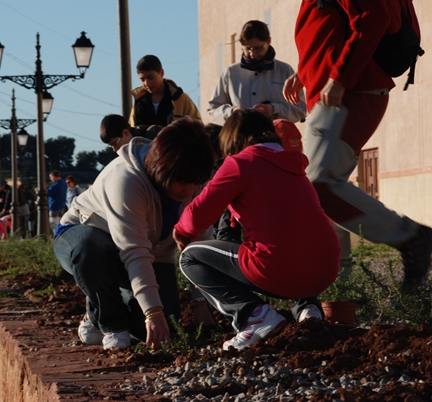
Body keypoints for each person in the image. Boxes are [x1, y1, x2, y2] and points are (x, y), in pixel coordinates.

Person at [282, 0, 431, 292]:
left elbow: (372, 17)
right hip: (338, 91)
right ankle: (337, 294)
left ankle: (410, 237)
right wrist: (307, 69)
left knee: (318, 184)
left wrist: (339, 76)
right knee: (322, 188)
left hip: (352, 91)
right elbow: (332, 27)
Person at [173, 109, 341, 351]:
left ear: (232, 138)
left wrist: (182, 232)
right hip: (325, 268)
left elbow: (199, 212)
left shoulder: (241, 163)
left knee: (190, 257)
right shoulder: (293, 165)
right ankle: (308, 310)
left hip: (279, 268)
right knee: (294, 239)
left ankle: (256, 317)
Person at [53, 117, 214, 350]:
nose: (190, 191)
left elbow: (199, 242)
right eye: (183, 183)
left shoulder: (191, 181)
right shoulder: (126, 179)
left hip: (146, 253)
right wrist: (152, 312)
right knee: (92, 249)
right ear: (162, 168)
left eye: (196, 183)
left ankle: (112, 297)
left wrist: (200, 304)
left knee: (163, 326)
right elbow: (134, 252)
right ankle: (108, 320)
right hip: (84, 238)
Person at [208, 20, 306, 125]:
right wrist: (232, 112)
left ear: (268, 41)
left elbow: (300, 109)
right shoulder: (230, 73)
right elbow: (213, 109)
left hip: (275, 138)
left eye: (258, 48)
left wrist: (274, 109)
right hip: (241, 138)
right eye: (247, 48)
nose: (252, 54)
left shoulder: (284, 71)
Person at [129, 55, 202, 127]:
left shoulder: (181, 99)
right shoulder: (138, 103)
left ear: (161, 73)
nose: (147, 83)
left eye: (151, 78)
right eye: (142, 80)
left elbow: (198, 129)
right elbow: (131, 131)